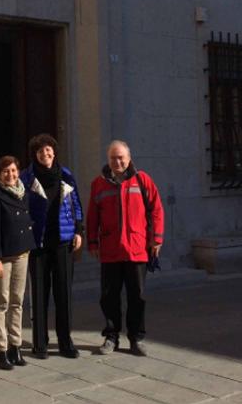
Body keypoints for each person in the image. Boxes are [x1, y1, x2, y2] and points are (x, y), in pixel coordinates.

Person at [87, 140, 165, 357]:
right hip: (111, 250)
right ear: (108, 160)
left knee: (137, 296)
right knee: (109, 296)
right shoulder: (98, 184)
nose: (117, 161)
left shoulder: (142, 180)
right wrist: (92, 242)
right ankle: (111, 337)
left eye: (121, 157)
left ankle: (136, 338)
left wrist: (156, 239)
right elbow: (92, 217)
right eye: (113, 157)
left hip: (137, 249)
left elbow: (157, 210)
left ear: (129, 158)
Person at [21, 133, 84, 359]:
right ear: (35, 155)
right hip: (38, 244)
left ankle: (66, 342)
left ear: (54, 152)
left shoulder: (66, 175)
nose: (45, 154)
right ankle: (40, 343)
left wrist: (79, 230)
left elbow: (76, 203)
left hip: (62, 242)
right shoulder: (26, 178)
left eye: (48, 150)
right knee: (39, 294)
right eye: (40, 152)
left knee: (63, 293)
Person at [0, 155, 35, 370]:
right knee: (0, 302)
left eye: (13, 170)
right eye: (6, 171)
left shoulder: (23, 193)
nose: (10, 175)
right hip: (2, 258)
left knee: (17, 302)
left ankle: (16, 346)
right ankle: (1, 350)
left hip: (22, 254)